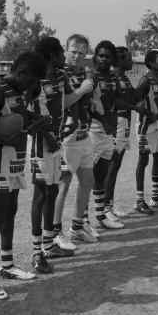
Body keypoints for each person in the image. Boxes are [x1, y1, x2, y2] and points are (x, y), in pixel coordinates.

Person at [0, 51, 48, 299]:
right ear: (22, 73)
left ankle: (7, 265)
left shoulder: (18, 92)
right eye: (31, 81)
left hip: (17, 159)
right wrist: (4, 136)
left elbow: (20, 119)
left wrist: (34, 121)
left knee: (10, 211)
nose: (33, 86)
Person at [30, 37, 92, 273]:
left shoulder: (60, 76)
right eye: (61, 52)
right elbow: (33, 113)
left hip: (57, 141)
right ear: (51, 55)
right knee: (41, 195)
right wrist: (50, 138)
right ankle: (37, 252)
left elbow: (69, 104)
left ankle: (49, 244)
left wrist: (71, 124)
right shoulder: (35, 78)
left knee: (52, 190)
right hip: (41, 143)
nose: (65, 58)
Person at [53, 33, 98, 245]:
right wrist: (82, 91)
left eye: (82, 52)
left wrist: (92, 101)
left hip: (84, 134)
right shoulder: (58, 73)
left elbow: (87, 100)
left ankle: (77, 227)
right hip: (66, 137)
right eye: (74, 51)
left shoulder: (84, 73)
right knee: (63, 184)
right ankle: (55, 232)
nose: (78, 56)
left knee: (88, 180)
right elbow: (61, 104)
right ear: (65, 49)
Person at [88, 40, 124, 228]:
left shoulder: (113, 78)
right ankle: (84, 220)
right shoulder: (91, 77)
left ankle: (100, 215)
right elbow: (86, 106)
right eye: (100, 55)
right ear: (95, 57)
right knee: (89, 175)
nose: (103, 59)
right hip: (93, 129)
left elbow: (116, 102)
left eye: (107, 56)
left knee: (101, 173)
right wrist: (102, 120)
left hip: (109, 130)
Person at [134, 50, 158, 213]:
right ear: (150, 63)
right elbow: (136, 100)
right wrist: (147, 113)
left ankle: (155, 197)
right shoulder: (146, 80)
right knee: (143, 161)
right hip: (145, 126)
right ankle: (139, 200)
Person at [103, 46, 136, 220]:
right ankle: (105, 208)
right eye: (129, 58)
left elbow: (133, 97)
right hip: (117, 124)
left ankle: (109, 205)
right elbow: (115, 102)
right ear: (120, 59)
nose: (131, 61)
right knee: (111, 165)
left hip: (125, 124)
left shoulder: (125, 78)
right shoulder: (113, 77)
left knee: (116, 166)